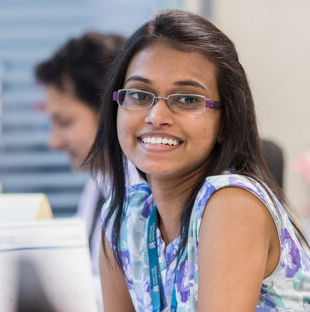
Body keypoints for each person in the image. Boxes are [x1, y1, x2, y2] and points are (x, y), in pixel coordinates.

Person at [86, 10, 310, 311]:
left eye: (187, 99)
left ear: (226, 122)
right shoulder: (124, 219)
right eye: (140, 95)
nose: (156, 117)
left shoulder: (233, 203)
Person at [35, 32, 141, 275]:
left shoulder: (145, 196)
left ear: (109, 114)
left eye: (64, 122)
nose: (53, 142)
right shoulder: (100, 184)